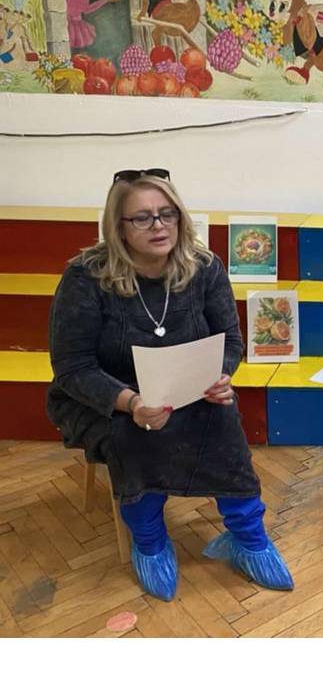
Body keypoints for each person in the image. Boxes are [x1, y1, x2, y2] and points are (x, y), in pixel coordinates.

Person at [46, 168, 294, 602]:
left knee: (223, 415)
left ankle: (247, 535)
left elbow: (230, 341)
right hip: (107, 393)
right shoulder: (87, 277)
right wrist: (130, 402)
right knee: (134, 431)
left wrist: (220, 377)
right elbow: (72, 367)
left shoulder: (204, 267)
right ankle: (149, 539)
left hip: (189, 384)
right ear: (118, 226)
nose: (159, 226)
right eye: (142, 218)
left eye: (168, 214)